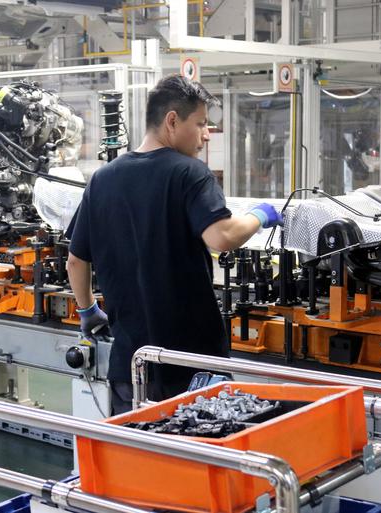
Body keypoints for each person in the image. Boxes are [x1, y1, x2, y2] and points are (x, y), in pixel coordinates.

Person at [66, 75, 282, 414]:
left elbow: (76, 262)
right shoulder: (190, 173)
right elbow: (222, 236)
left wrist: (88, 310)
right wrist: (262, 215)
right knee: (194, 461)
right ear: (172, 121)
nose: (206, 134)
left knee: (138, 460)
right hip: (191, 369)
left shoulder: (102, 180)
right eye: (201, 124)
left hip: (130, 369)